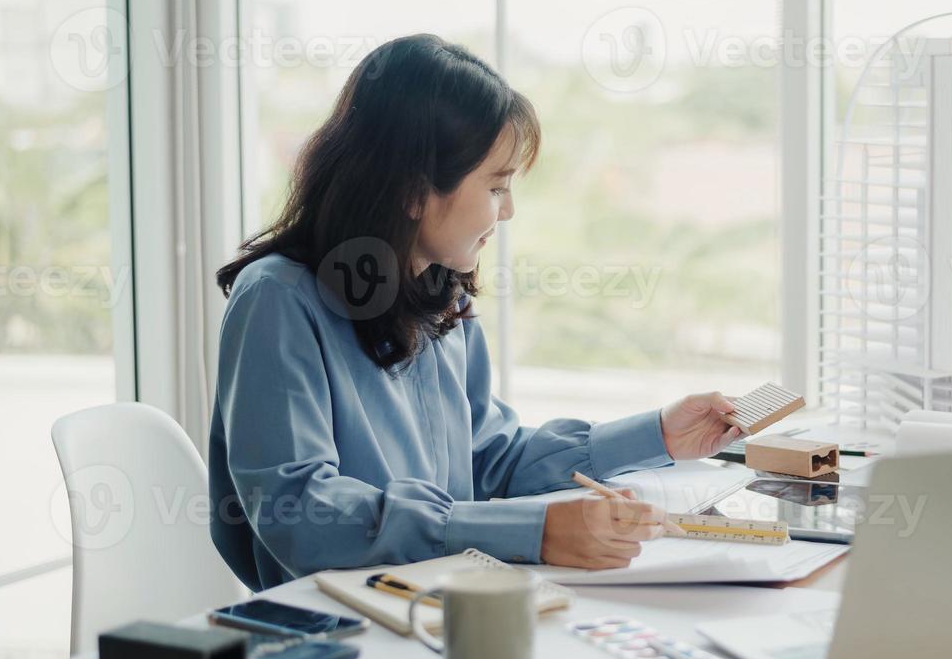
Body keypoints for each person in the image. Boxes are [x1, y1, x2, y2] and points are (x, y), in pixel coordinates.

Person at [208, 34, 743, 591]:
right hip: (337, 626)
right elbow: (302, 511)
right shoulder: (278, 299)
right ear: (414, 192)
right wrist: (531, 532)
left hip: (444, 604)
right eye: (496, 186)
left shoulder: (439, 295)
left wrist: (657, 435)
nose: (507, 210)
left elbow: (491, 459)